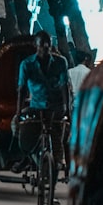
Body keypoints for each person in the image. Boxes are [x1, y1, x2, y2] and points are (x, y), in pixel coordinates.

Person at [13, 30, 70, 173]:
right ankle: (26, 157)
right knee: (18, 128)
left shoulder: (60, 62)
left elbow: (65, 86)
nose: (45, 50)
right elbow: (21, 89)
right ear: (35, 45)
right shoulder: (27, 64)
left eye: (48, 47)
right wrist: (18, 112)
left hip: (56, 107)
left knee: (65, 133)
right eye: (41, 47)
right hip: (35, 107)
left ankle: (62, 162)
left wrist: (67, 109)